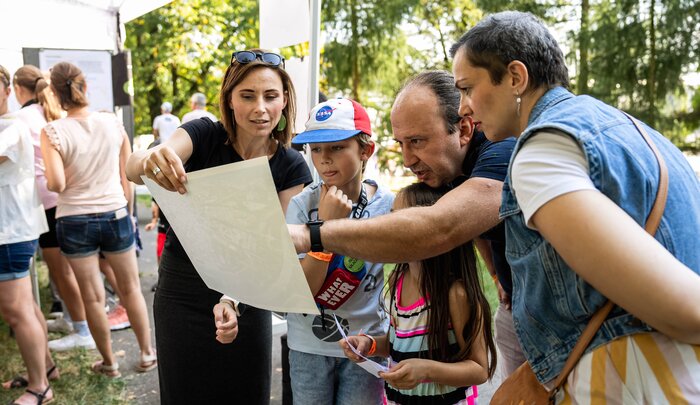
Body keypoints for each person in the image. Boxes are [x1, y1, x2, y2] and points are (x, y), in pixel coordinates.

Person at [450, 11, 700, 401]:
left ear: (515, 77)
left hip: (629, 383)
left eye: (467, 88)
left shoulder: (540, 154)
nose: (463, 107)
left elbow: (687, 308)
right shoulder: (631, 130)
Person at [289, 70, 522, 375]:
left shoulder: (501, 152)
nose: (407, 159)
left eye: (417, 141)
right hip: (516, 302)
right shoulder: (449, 168)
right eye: (401, 143)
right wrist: (496, 275)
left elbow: (442, 226)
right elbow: (476, 224)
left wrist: (315, 235)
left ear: (464, 130)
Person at [126, 48, 312, 404]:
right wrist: (150, 160)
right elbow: (136, 168)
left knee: (245, 392)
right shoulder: (203, 135)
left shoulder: (291, 167)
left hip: (247, 296)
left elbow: (274, 248)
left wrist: (232, 300)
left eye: (271, 96)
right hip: (182, 295)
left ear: (285, 100)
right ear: (229, 99)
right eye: (248, 95)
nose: (261, 108)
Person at [40, 61, 157, 378]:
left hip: (74, 219)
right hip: (115, 212)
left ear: (54, 92)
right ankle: (147, 354)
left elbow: (56, 184)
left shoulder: (52, 131)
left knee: (92, 296)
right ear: (84, 86)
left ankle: (110, 363)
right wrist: (128, 216)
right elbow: (127, 181)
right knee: (131, 288)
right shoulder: (113, 124)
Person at [341, 183, 496, 405]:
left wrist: (427, 370)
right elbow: (401, 343)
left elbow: (479, 369)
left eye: (402, 221)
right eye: (391, 217)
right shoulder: (398, 279)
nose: (389, 227)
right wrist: (370, 345)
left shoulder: (455, 295)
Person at [284, 98, 395, 404]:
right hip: (309, 347)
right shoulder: (302, 206)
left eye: (336, 147)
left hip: (367, 344)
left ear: (365, 151)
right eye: (316, 150)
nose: (324, 160)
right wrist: (325, 227)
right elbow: (301, 292)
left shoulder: (387, 205)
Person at [11, 64, 98, 352]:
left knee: (62, 271)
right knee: (63, 270)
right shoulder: (48, 111)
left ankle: (82, 329)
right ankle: (74, 320)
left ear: (18, 89)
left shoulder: (23, 116)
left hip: (47, 201)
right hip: (57, 200)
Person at [0, 63, 57, 405]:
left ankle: (39, 387)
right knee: (26, 306)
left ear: (8, 90)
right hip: (14, 229)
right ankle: (45, 369)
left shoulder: (11, 127)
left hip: (9, 231)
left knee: (16, 310)